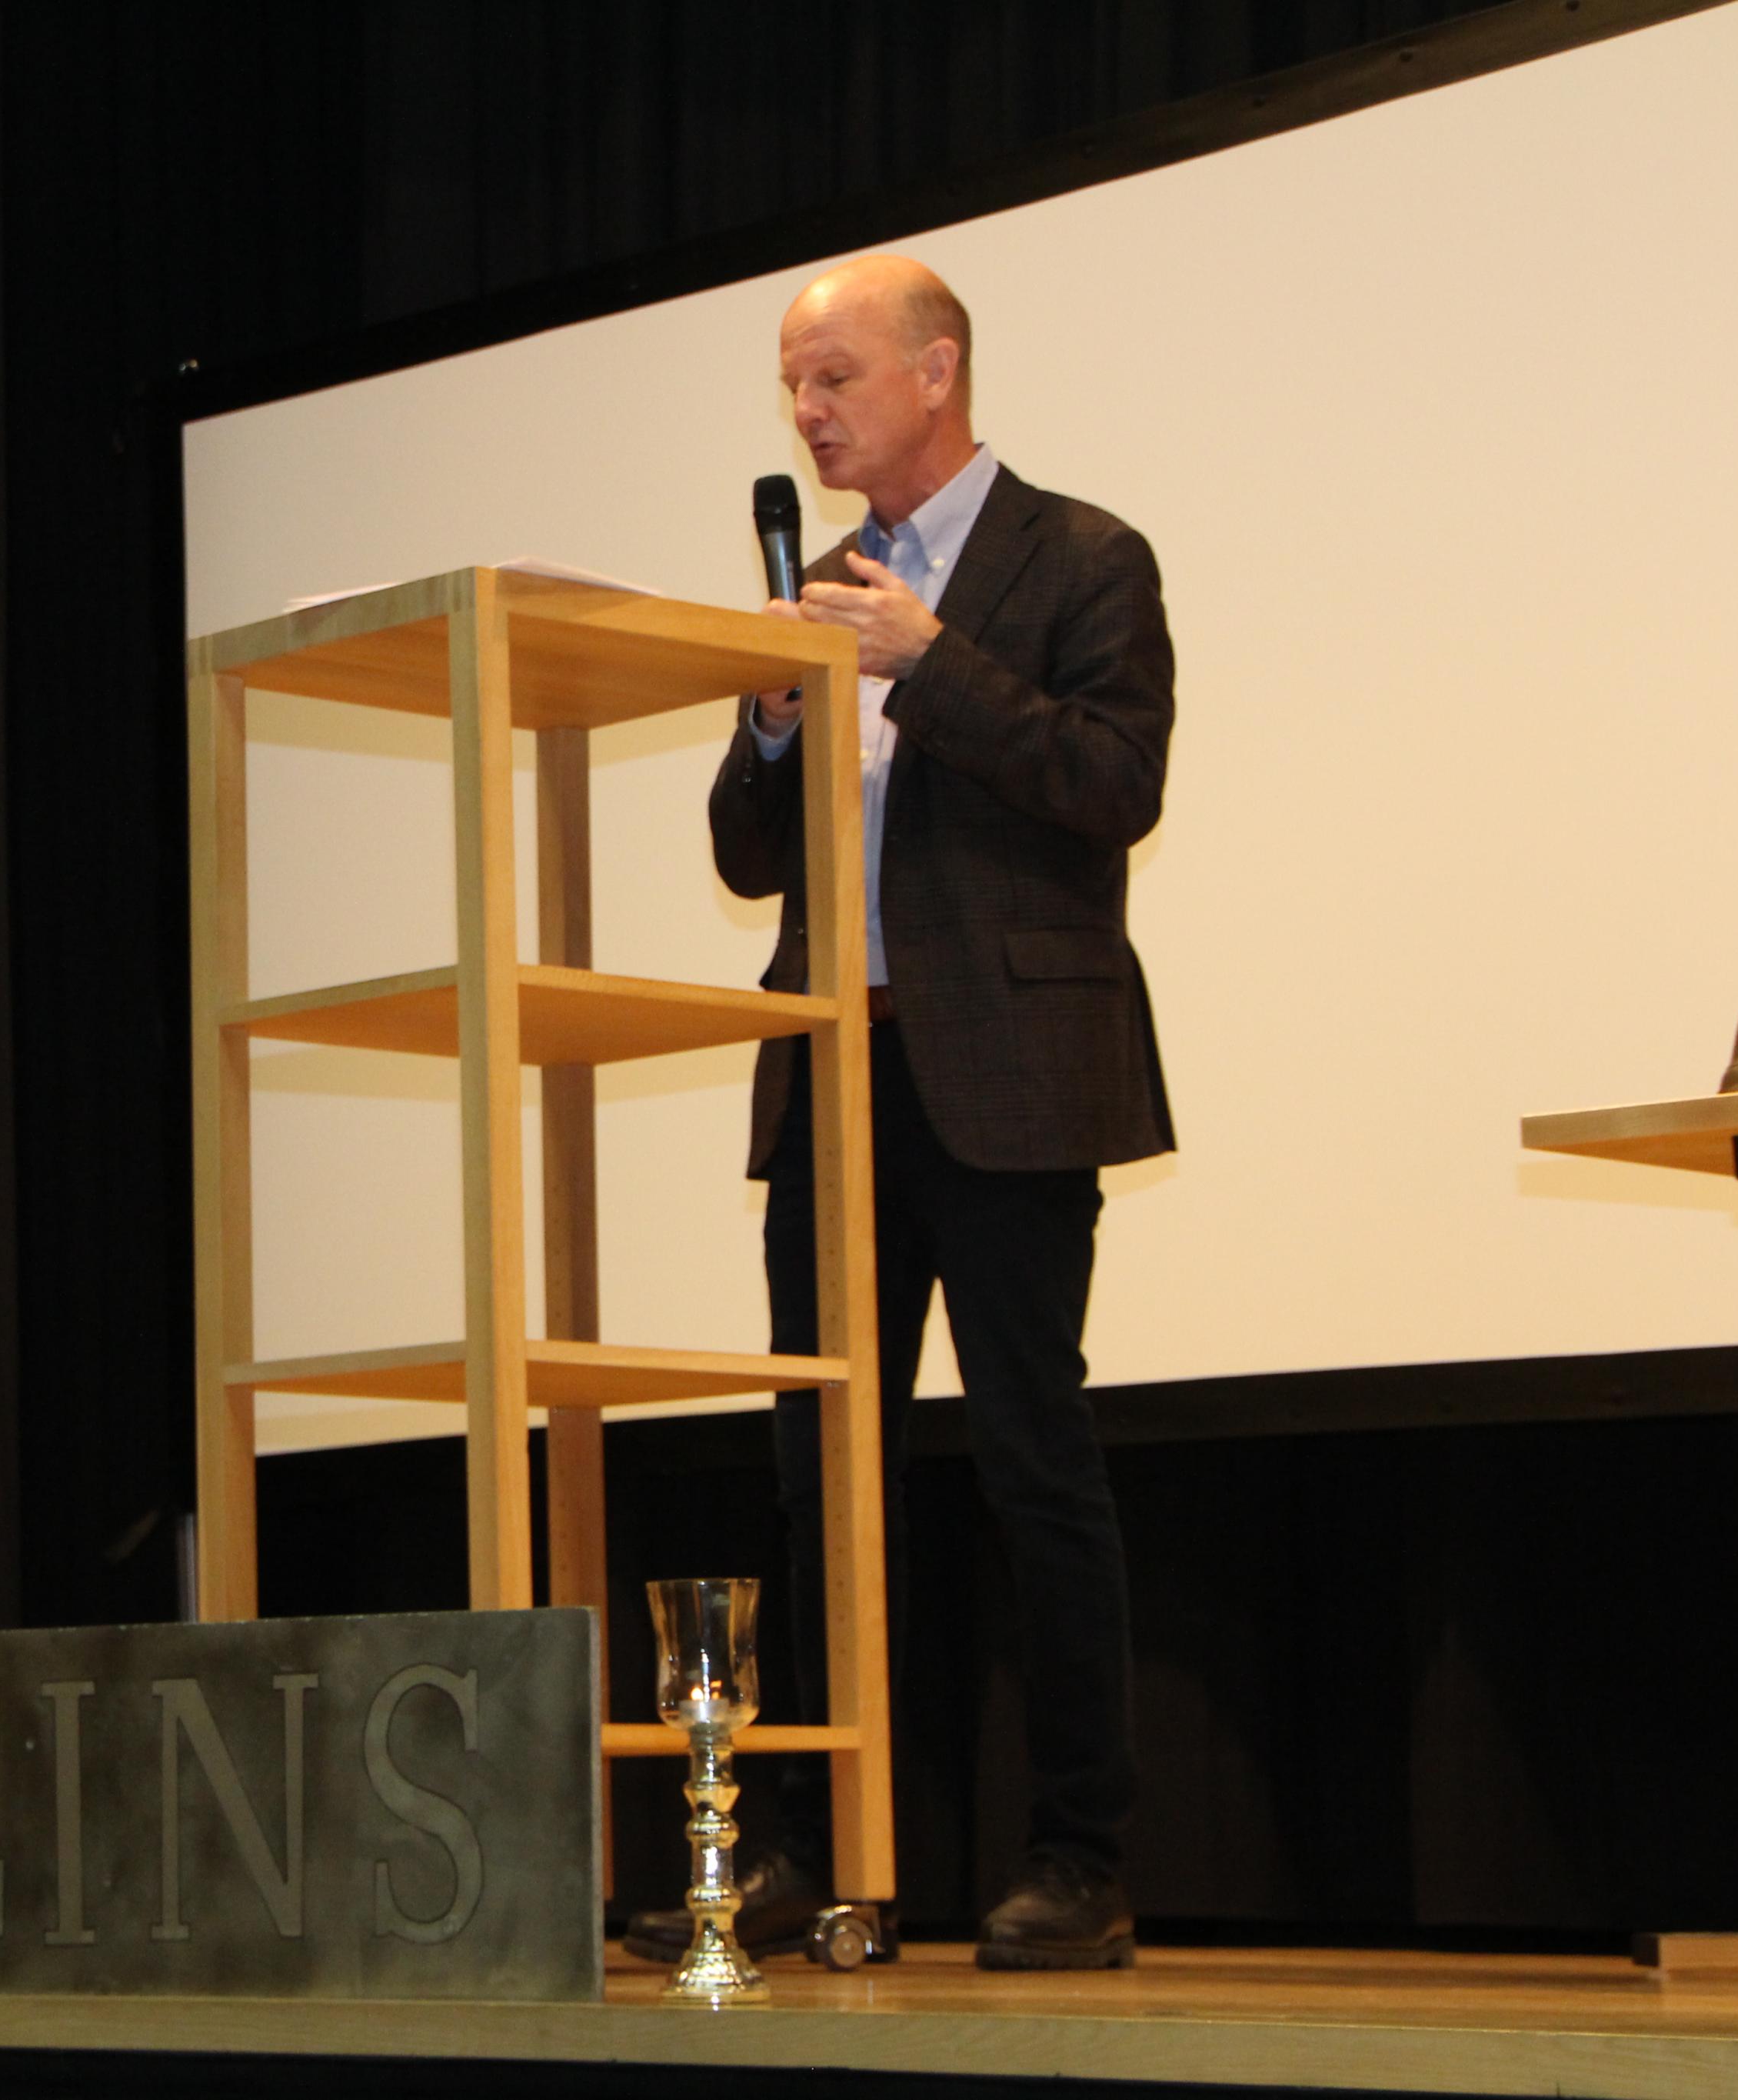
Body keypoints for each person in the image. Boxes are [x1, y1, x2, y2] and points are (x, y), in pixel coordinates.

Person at [630, 255, 1175, 1972]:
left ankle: (1078, 1856)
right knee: (820, 1484)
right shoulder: (817, 592)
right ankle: (809, 1845)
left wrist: (930, 663)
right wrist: (770, 719)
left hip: (1009, 1078)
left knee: (1031, 1463)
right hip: (833, 1078)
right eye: (792, 386)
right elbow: (746, 857)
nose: (807, 412)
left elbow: (1115, 783)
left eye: (835, 379)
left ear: (936, 372)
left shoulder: (1081, 558)